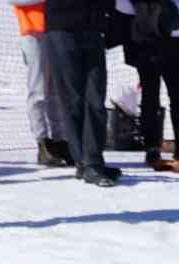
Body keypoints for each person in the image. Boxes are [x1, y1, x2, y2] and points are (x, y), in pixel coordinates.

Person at [44, 0, 121, 186]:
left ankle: (93, 161)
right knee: (73, 99)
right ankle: (85, 163)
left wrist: (109, 20)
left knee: (96, 98)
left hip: (92, 28)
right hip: (62, 28)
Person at [120, 0, 179, 165]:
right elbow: (123, 7)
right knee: (151, 98)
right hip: (146, 42)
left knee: (178, 97)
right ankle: (153, 148)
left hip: (170, 41)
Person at [11, 0, 73, 166]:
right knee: (38, 89)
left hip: (57, 27)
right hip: (32, 31)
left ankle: (60, 140)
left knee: (56, 88)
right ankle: (43, 142)